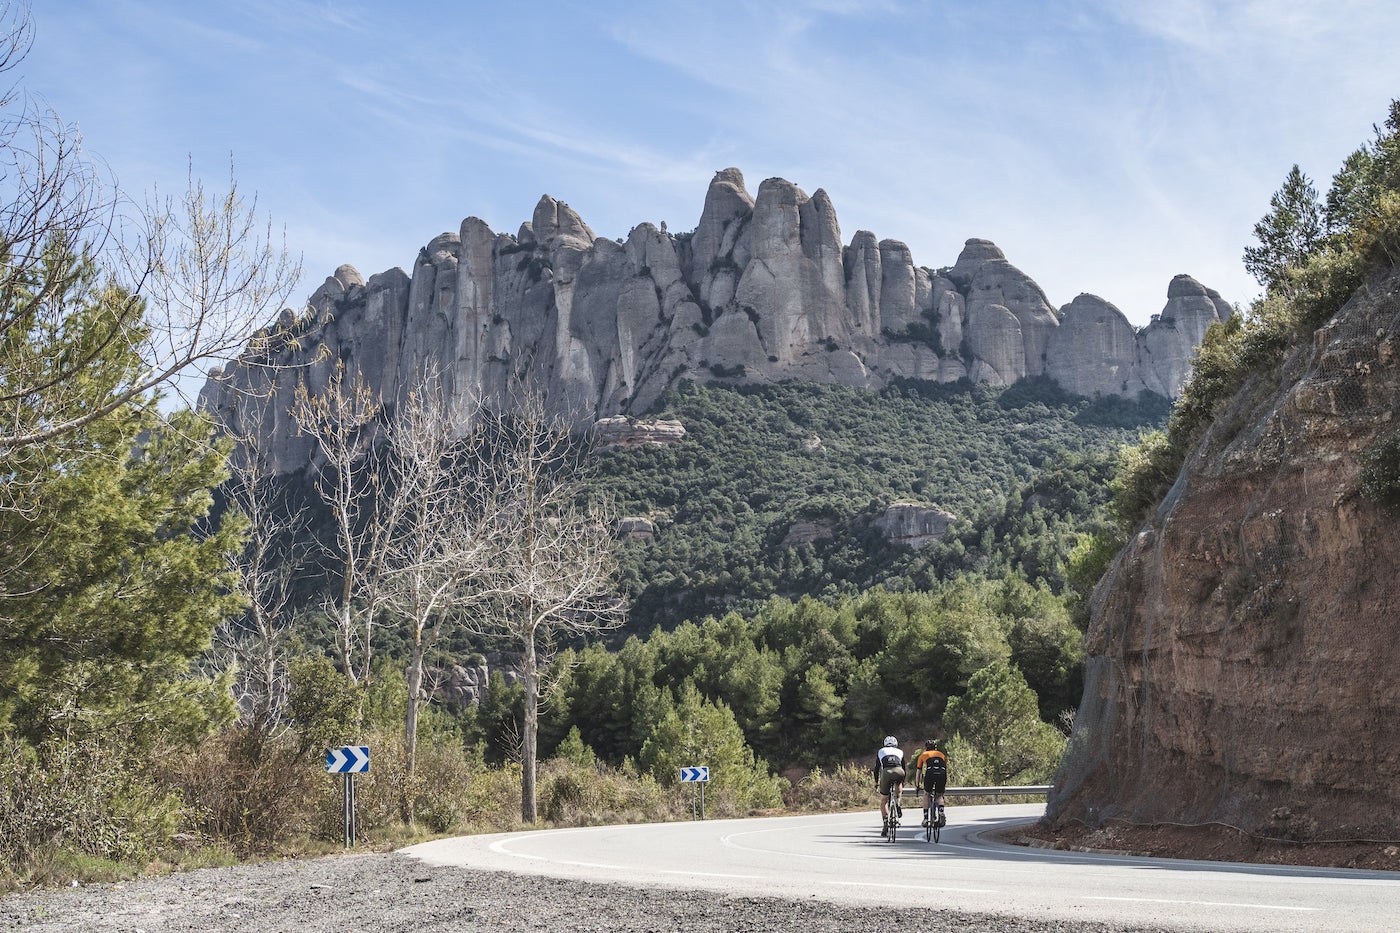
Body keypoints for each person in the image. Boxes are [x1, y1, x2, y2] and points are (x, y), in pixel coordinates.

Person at [910, 738, 948, 827]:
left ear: (926, 748)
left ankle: (926, 818)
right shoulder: (942, 755)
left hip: (930, 772)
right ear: (935, 748)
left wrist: (917, 785)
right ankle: (941, 811)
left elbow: (919, 771)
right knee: (939, 795)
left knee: (926, 794)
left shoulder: (923, 755)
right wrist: (943, 786)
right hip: (942, 773)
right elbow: (945, 769)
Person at [872, 735, 906, 836]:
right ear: (896, 745)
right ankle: (898, 802)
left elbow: (877, 768)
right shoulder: (900, 752)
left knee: (884, 800)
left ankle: (885, 823)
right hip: (899, 771)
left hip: (886, 772)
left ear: (885, 745)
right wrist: (902, 781)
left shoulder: (881, 751)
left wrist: (876, 781)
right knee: (898, 783)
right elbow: (903, 767)